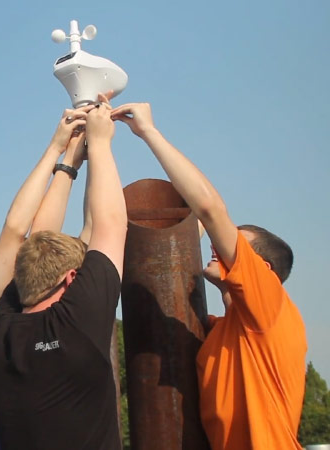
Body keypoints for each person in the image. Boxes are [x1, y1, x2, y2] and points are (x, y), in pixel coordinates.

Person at [111, 101, 306, 449]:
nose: (219, 247)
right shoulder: (223, 330)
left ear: (264, 271)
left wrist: (148, 133)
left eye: (235, 246)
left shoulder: (270, 307)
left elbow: (211, 210)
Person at [0, 94, 127, 450]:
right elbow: (108, 224)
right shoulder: (74, 325)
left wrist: (70, 160)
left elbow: (33, 236)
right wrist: (100, 143)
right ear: (71, 279)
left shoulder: (0, 336)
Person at [0, 103, 93, 449]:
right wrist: (73, 153)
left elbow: (28, 234)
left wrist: (72, 155)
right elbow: (21, 231)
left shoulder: (15, 317)